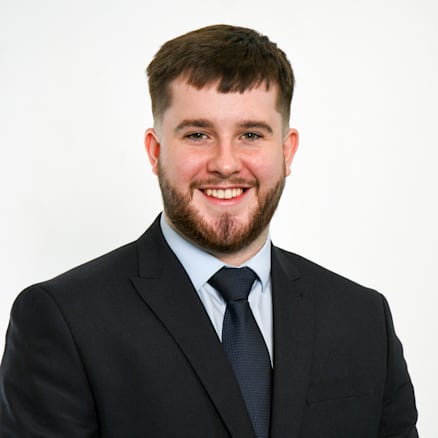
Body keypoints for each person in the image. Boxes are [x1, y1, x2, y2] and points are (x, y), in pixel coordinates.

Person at [0, 24, 418, 437]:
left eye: (251, 134)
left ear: (287, 151)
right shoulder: (63, 321)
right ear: (156, 150)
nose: (225, 163)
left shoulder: (363, 319)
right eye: (198, 134)